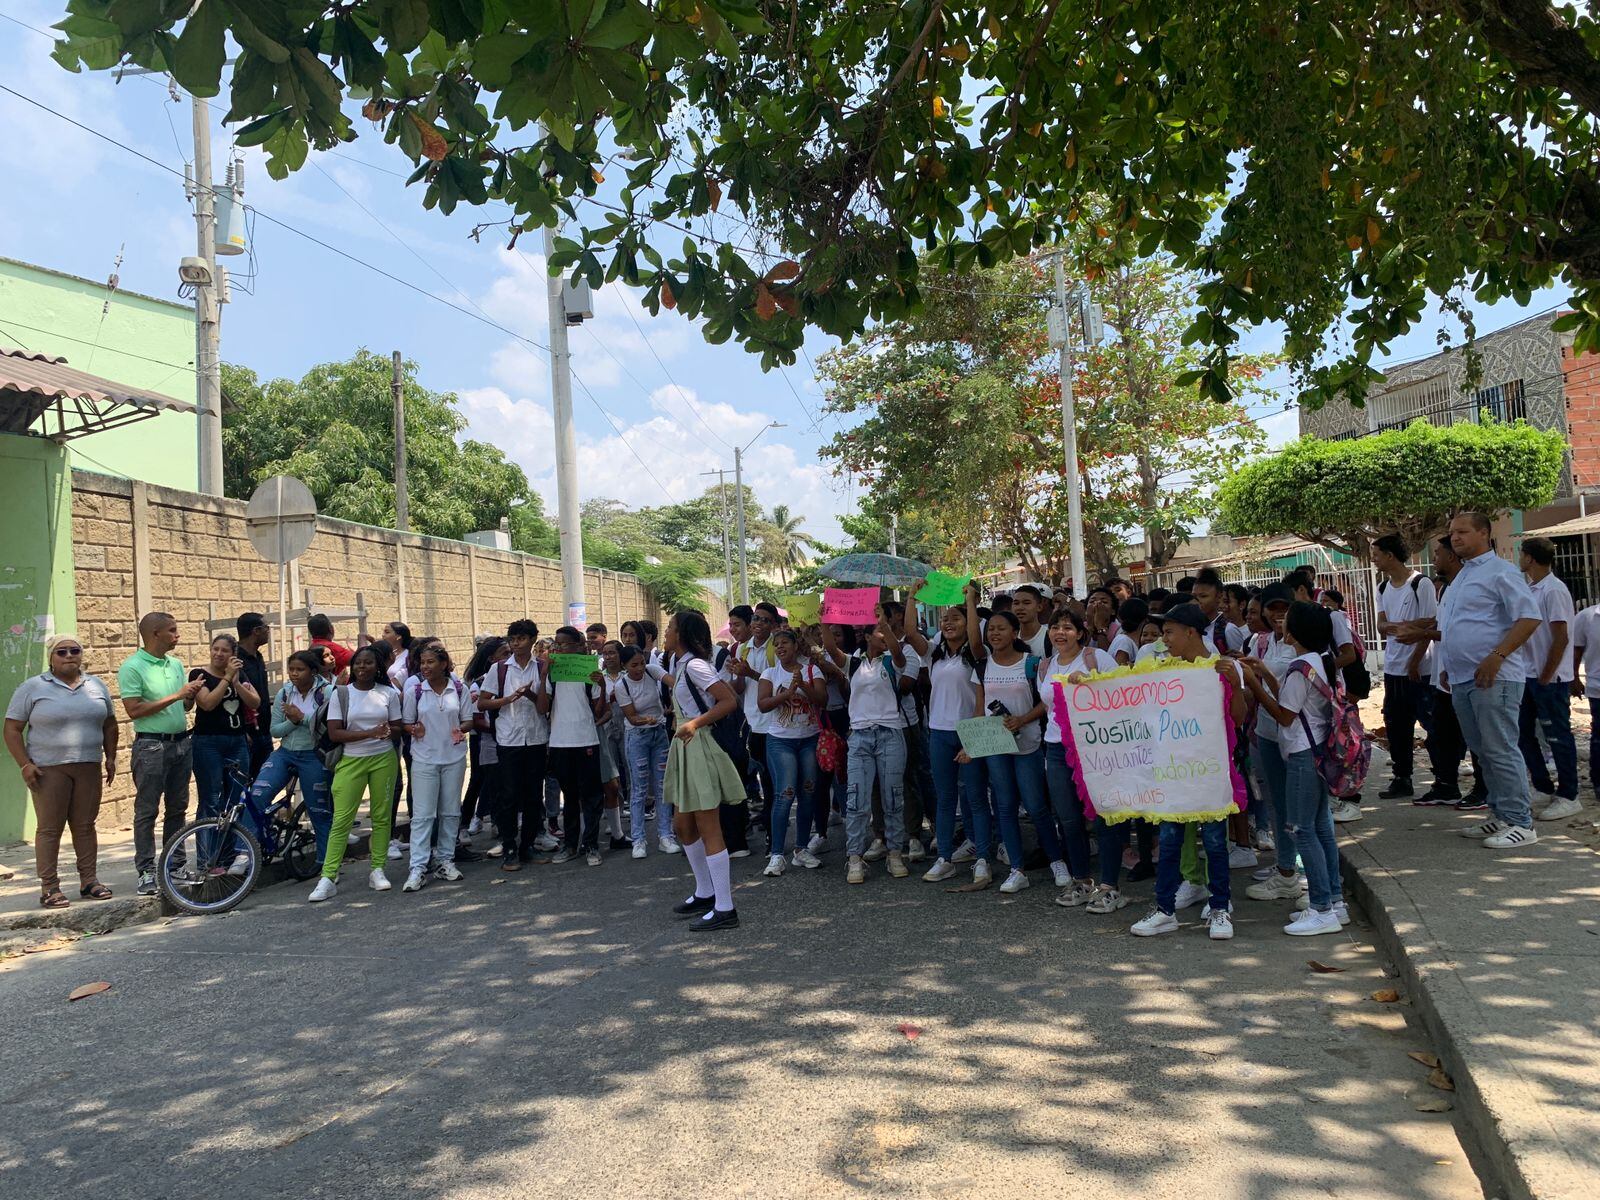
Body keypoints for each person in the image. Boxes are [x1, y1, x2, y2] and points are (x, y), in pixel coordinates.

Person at [1130, 603, 1247, 941]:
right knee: (1168, 841)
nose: (1163, 640)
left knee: (1214, 841)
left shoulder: (1221, 669)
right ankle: (1165, 910)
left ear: (1191, 632)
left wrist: (1235, 685)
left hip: (1209, 772)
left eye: (1168, 632)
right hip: (1172, 773)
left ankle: (1220, 908)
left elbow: (1238, 719)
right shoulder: (1160, 671)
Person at [1436, 512, 1543, 849]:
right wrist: (1448, 663)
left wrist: (1497, 656)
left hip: (1495, 678)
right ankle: (1500, 814)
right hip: (1463, 677)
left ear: (1484, 533)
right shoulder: (1462, 577)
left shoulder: (1502, 572)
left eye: (1463, 532)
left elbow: (1529, 618)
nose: (1455, 538)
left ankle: (1520, 822)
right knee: (1482, 752)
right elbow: (1461, 626)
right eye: (1452, 533)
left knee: (1501, 749)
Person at [1243, 601, 1349, 935]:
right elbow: (1293, 703)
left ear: (1297, 631)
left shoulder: (1300, 666)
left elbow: (1284, 716)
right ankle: (1334, 901)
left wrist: (1253, 683)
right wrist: (1264, 673)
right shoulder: (1314, 662)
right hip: (1316, 751)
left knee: (1301, 829)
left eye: (1286, 620)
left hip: (1303, 756)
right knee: (1318, 827)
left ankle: (1320, 908)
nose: (1279, 622)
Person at [4, 634, 118, 908]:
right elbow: (12, 728)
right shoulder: (33, 687)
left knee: (85, 826)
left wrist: (111, 757)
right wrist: (25, 764)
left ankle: (89, 881)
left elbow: (110, 723)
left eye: (74, 651)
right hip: (48, 770)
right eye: (62, 652)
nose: (69, 656)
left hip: (87, 765)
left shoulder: (95, 685)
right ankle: (50, 888)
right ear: (51, 659)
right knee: (50, 829)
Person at [962, 607, 1070, 895]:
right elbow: (979, 708)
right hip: (996, 747)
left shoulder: (1032, 664)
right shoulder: (983, 667)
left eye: (1001, 628)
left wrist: (1022, 719)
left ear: (1014, 633)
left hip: (1028, 745)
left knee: (1036, 806)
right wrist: (971, 744)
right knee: (1005, 808)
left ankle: (1057, 861)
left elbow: (1046, 702)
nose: (995, 633)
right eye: (991, 629)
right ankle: (1017, 869)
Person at [663, 610, 747, 931]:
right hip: (686, 746)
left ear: (682, 634)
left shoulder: (696, 665)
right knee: (682, 825)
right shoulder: (681, 664)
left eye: (671, 627)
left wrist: (695, 723)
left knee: (707, 824)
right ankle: (705, 891)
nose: (666, 632)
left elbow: (728, 701)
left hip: (698, 746)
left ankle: (725, 907)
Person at [118, 611, 203, 896]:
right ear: (155, 634)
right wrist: (178, 695)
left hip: (181, 742)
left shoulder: (175, 664)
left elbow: (184, 708)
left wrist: (189, 697)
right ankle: (145, 870)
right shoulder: (133, 667)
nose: (177, 635)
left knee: (178, 808)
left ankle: (174, 865)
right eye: (172, 630)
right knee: (147, 810)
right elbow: (134, 710)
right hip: (151, 746)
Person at [310, 645, 402, 901]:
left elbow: (396, 727)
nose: (362, 667)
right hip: (351, 760)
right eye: (358, 663)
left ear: (378, 667)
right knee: (342, 819)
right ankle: (328, 877)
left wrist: (387, 732)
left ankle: (378, 870)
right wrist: (371, 732)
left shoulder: (388, 693)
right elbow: (335, 733)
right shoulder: (342, 694)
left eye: (369, 663)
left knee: (382, 817)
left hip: (384, 759)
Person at [824, 617, 911, 885]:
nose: (884, 637)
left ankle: (894, 852)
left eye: (886, 633)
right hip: (860, 736)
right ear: (867, 638)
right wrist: (823, 621)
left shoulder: (892, 662)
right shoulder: (854, 663)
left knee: (893, 797)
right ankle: (854, 857)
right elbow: (831, 649)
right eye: (879, 633)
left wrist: (884, 623)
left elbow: (897, 650)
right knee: (856, 799)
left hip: (890, 735)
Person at [1037, 609, 1108, 908]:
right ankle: (1081, 879)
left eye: (1067, 627)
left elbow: (1119, 693)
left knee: (1103, 814)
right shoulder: (1045, 665)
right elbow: (1047, 707)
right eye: (1055, 627)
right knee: (1067, 818)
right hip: (1055, 747)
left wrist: (1089, 683)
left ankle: (1107, 882)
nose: (1060, 632)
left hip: (1094, 747)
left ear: (1080, 632)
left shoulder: (1095, 658)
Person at [1240, 583, 1305, 904]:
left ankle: (1308, 876)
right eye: (1272, 608)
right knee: (1277, 803)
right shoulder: (1260, 642)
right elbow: (1251, 690)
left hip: (1297, 736)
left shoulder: (1302, 642)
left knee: (1302, 807)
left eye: (1284, 608)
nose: (1278, 615)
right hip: (1266, 732)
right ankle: (1285, 869)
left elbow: (1284, 695)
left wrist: (1258, 676)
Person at [477, 618, 557, 869]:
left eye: (521, 638)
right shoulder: (500, 669)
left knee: (534, 795)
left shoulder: (542, 667)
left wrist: (538, 684)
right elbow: (482, 703)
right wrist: (508, 699)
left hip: (535, 737)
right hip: (508, 738)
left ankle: (528, 845)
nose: (516, 644)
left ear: (533, 639)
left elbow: (544, 707)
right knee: (509, 794)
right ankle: (509, 845)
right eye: (513, 639)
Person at [922, 596, 988, 885]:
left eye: (956, 618)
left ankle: (983, 857)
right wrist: (912, 597)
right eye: (945, 619)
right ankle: (945, 858)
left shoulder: (976, 653)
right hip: (938, 731)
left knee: (975, 798)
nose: (949, 622)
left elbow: (975, 637)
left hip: (969, 731)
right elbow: (911, 633)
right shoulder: (934, 654)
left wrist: (970, 602)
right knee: (945, 798)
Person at [248, 649, 334, 870]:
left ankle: (326, 864)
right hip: (285, 752)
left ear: (313, 671)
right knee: (256, 796)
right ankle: (246, 853)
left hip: (313, 755)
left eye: (300, 669)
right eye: (291, 669)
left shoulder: (327, 692)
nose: (294, 674)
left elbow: (328, 727)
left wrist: (301, 717)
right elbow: (275, 730)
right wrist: (294, 722)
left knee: (319, 811)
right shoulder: (285, 693)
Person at [400, 643, 474, 891]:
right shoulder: (416, 691)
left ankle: (445, 860)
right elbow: (405, 723)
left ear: (444, 664)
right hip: (424, 758)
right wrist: (414, 729)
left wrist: (461, 729)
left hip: (453, 757)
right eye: (422, 662)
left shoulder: (459, 689)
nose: (425, 667)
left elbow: (468, 720)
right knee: (423, 816)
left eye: (430, 662)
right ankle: (418, 868)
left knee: (451, 812)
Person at [1373, 533, 1440, 801]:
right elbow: (1381, 625)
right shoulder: (1382, 588)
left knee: (1431, 723)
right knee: (1396, 725)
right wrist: (1404, 626)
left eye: (1377, 555)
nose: (1374, 560)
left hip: (1420, 668)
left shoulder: (1420, 584)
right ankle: (1403, 777)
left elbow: (1431, 624)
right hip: (1393, 668)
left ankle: (1443, 777)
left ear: (1390, 555)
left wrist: (1414, 659)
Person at [1517, 537, 1580, 821]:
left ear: (1530, 558)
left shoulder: (1553, 590)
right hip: (1528, 673)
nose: (1520, 558)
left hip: (1549, 678)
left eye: (1522, 554)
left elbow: (1561, 636)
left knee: (1557, 735)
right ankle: (1542, 786)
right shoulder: (1531, 588)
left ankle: (1569, 794)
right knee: (1523, 733)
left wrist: (1547, 673)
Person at [756, 627, 827, 875]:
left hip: (809, 740)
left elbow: (822, 700)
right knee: (784, 794)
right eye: (777, 645)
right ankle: (777, 854)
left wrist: (803, 685)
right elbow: (763, 705)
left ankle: (801, 848)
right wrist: (787, 693)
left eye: (785, 643)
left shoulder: (811, 669)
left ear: (796, 646)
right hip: (780, 741)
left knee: (808, 792)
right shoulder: (769, 673)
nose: (781, 648)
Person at [188, 633, 261, 866]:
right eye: (215, 649)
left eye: (224, 651)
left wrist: (236, 681)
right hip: (208, 742)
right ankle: (206, 859)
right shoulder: (199, 675)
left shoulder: (239, 676)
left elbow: (255, 702)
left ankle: (228, 854)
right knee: (210, 799)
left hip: (236, 741)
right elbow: (207, 703)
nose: (218, 654)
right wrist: (227, 678)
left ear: (233, 655)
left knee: (234, 799)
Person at [541, 625, 609, 866]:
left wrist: (601, 687)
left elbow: (600, 710)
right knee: (569, 796)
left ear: (579, 647)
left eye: (564, 644)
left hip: (586, 739)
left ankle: (590, 844)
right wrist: (543, 674)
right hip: (560, 741)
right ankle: (570, 844)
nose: (558, 648)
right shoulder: (552, 674)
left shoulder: (588, 672)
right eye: (556, 645)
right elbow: (542, 708)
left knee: (591, 796)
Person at [616, 644, 677, 856]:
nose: (640, 668)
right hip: (637, 736)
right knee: (639, 788)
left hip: (659, 734)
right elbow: (631, 716)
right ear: (624, 666)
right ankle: (639, 840)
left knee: (662, 785)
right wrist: (645, 719)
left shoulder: (652, 670)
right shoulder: (621, 685)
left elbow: (673, 681)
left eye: (642, 663)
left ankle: (665, 835)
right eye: (634, 665)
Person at [461, 636, 509, 839]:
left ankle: (497, 822)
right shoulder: (478, 685)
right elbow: (477, 719)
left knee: (501, 783)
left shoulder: (509, 677)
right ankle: (465, 823)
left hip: (506, 739)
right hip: (486, 740)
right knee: (480, 780)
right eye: (505, 654)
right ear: (491, 659)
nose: (510, 657)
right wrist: (500, 730)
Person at [234, 612, 273, 778]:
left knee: (263, 781)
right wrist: (243, 731)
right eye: (267, 628)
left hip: (264, 729)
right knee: (245, 781)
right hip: (246, 733)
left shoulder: (258, 656)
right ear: (256, 630)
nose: (268, 632)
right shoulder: (235, 659)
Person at [308, 613, 354, 682]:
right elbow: (357, 659)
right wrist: (354, 649)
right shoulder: (331, 647)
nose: (332, 658)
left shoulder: (313, 646)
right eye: (326, 655)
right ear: (331, 629)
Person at [1010, 584, 1049, 657]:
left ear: (1039, 607)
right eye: (1016, 603)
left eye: (1026, 603)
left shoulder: (1050, 638)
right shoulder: (1009, 638)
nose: (1020, 607)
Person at [382, 621, 414, 689]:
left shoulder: (407, 656)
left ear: (398, 636)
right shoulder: (382, 653)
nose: (383, 635)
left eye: (387, 632)